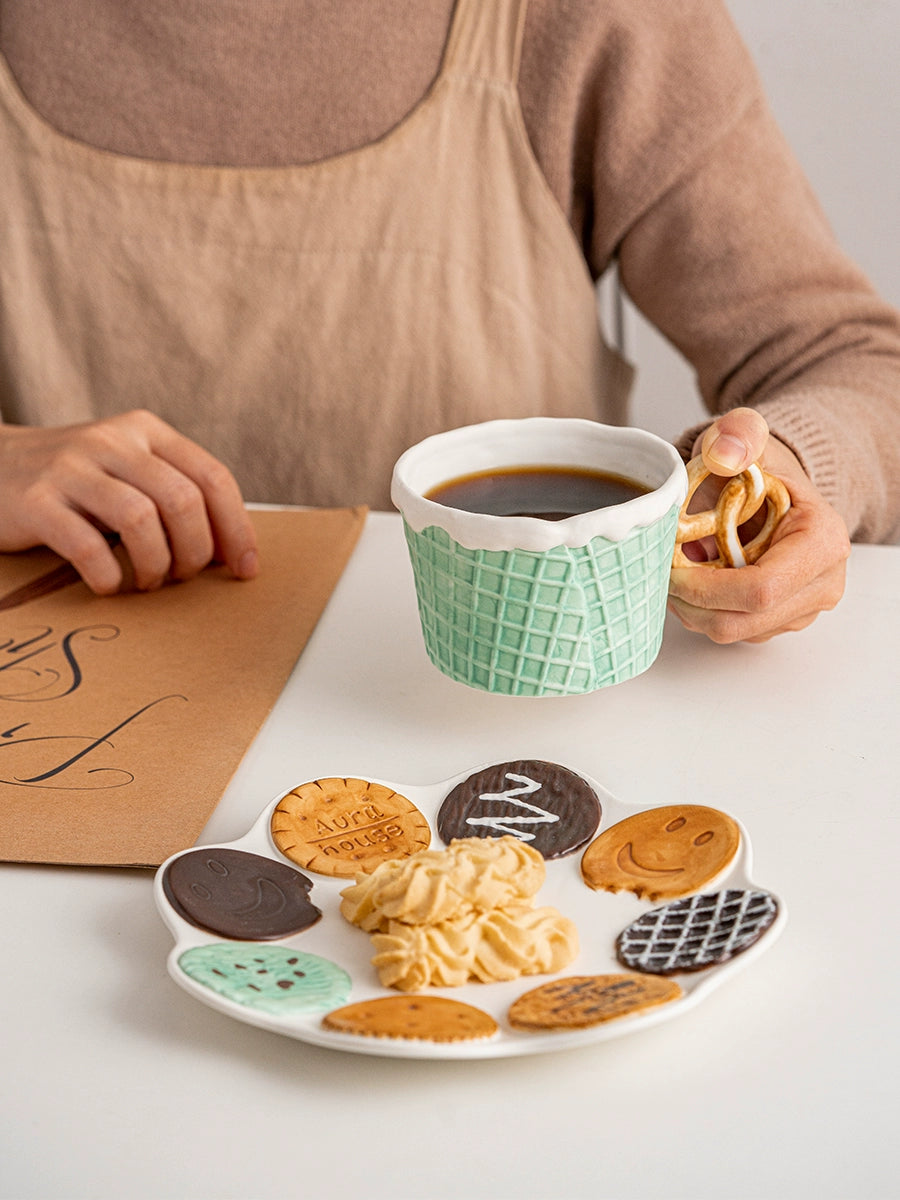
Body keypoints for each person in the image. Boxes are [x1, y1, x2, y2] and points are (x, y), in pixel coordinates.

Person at [0, 0, 897, 644]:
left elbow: (856, 362)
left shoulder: (596, 18)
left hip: (502, 755)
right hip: (74, 729)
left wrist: (787, 468)